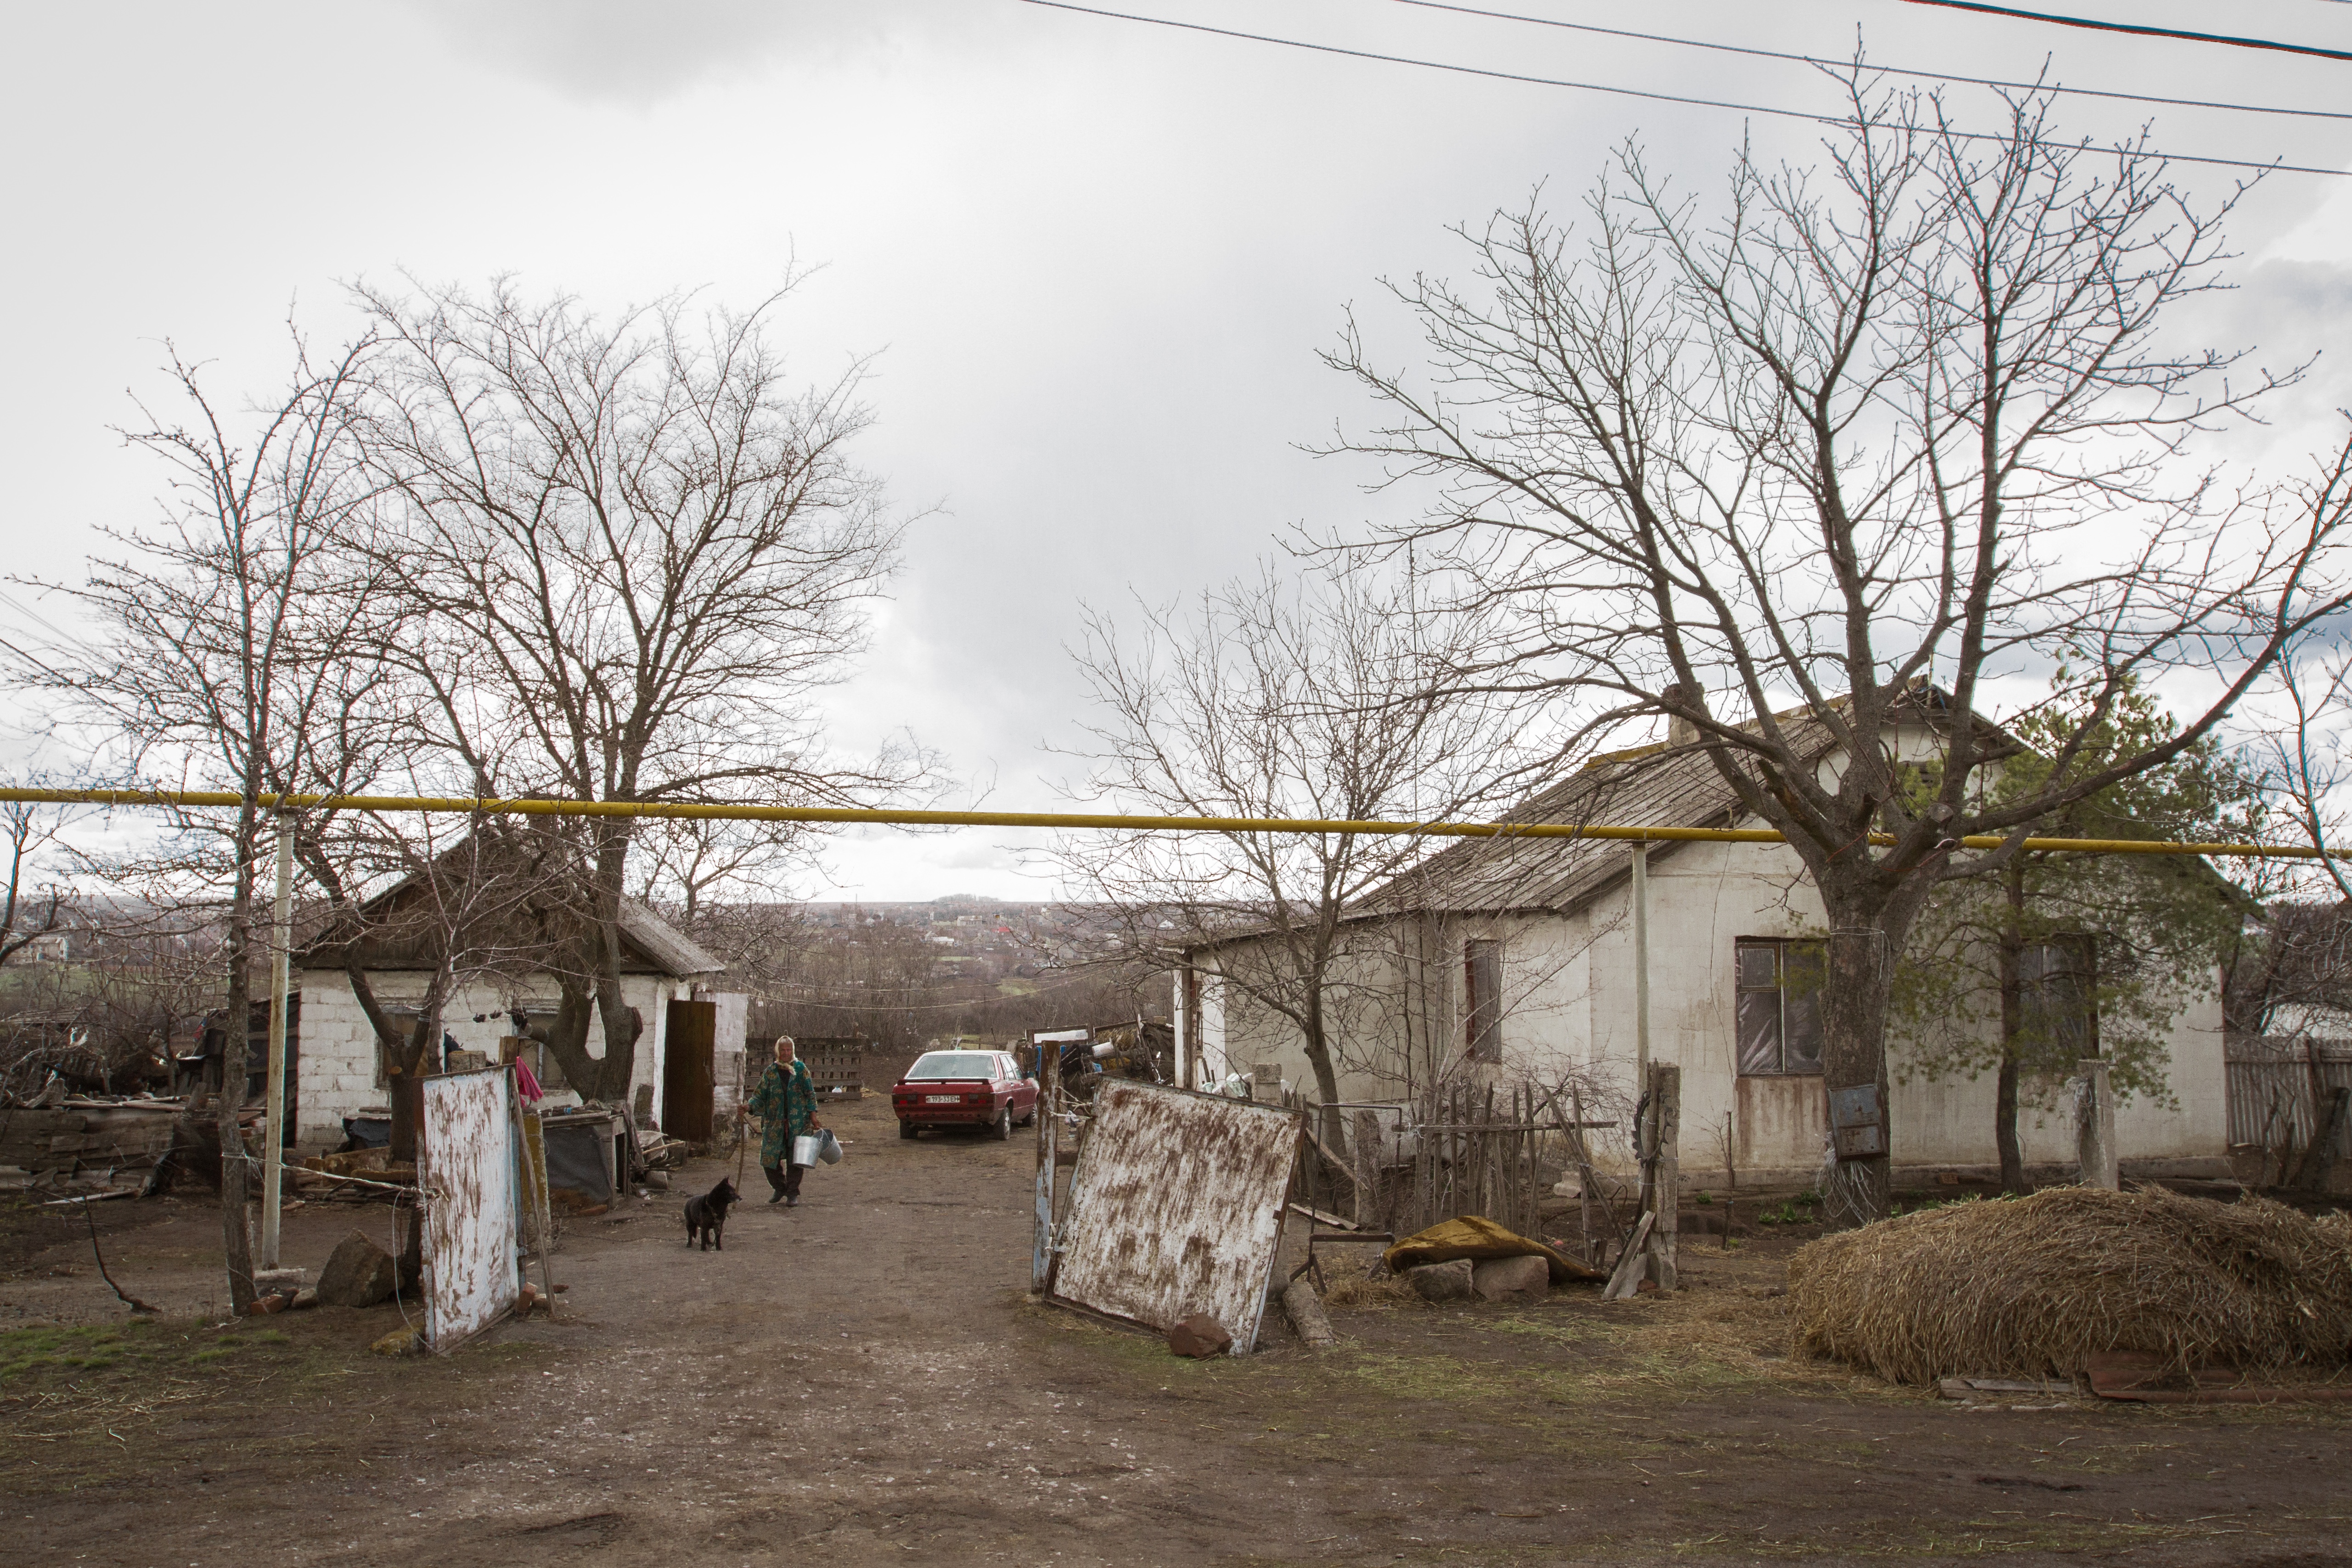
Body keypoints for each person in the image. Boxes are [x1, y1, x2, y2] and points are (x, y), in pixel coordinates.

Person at [743, 1034, 822, 1206]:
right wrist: (748, 1107)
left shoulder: (801, 1069)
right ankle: (780, 1187)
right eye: (783, 1050)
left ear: (793, 1051)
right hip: (774, 1123)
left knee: (796, 1159)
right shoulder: (770, 1072)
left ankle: (792, 1193)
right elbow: (759, 1096)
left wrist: (813, 1117)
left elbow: (810, 1094)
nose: (786, 1053)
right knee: (769, 1159)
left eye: (789, 1050)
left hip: (798, 1123)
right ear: (777, 1051)